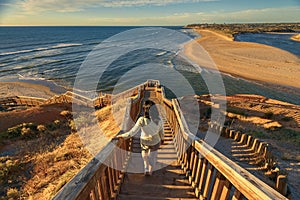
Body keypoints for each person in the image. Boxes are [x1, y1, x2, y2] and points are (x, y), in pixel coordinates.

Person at [115, 100, 164, 176]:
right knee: (153, 156)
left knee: (144, 153)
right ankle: (151, 170)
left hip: (145, 141)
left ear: (145, 110)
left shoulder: (141, 120)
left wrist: (123, 136)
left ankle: (146, 168)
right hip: (156, 141)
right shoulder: (160, 119)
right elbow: (161, 131)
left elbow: (132, 132)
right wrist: (162, 138)